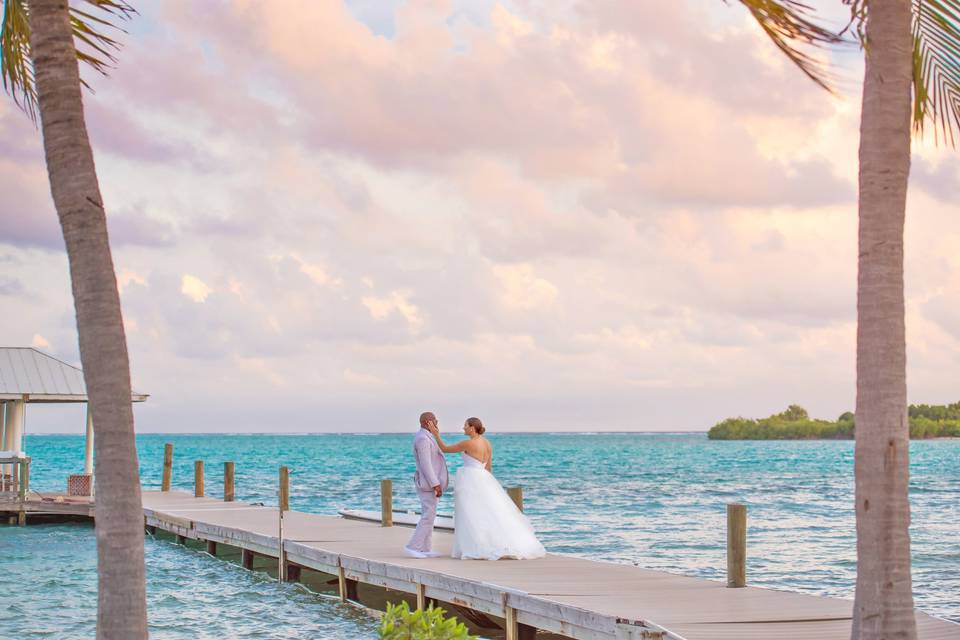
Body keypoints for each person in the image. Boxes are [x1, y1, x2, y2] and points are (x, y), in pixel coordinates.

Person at [427, 417, 545, 560]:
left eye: (465, 426)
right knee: (490, 512)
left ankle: (477, 546)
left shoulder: (468, 443)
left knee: (471, 513)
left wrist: (435, 434)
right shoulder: (487, 443)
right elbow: (488, 467)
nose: (463, 428)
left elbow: (445, 449)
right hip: (484, 479)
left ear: (472, 428)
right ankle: (493, 543)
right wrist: (488, 486)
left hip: (470, 479)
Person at [404, 411, 449, 558]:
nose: (437, 423)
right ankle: (414, 547)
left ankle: (425, 548)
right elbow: (425, 464)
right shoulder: (423, 438)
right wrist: (435, 484)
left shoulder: (428, 436)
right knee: (428, 515)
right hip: (427, 483)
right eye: (434, 421)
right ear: (426, 422)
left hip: (431, 483)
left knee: (430, 515)